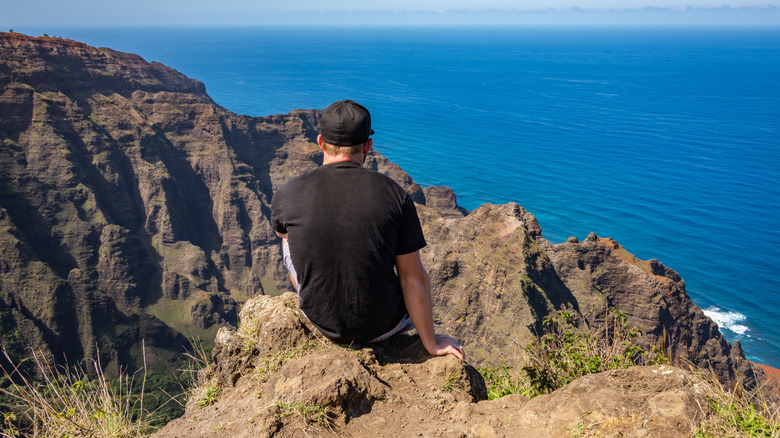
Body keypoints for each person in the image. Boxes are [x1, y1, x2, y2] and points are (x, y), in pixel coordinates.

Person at [271, 100, 464, 360]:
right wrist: (430, 343)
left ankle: (310, 298)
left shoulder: (286, 193)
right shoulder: (395, 195)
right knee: (403, 259)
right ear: (368, 146)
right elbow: (413, 278)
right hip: (384, 328)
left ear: (320, 142)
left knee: (286, 242)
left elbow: (291, 244)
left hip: (320, 321)